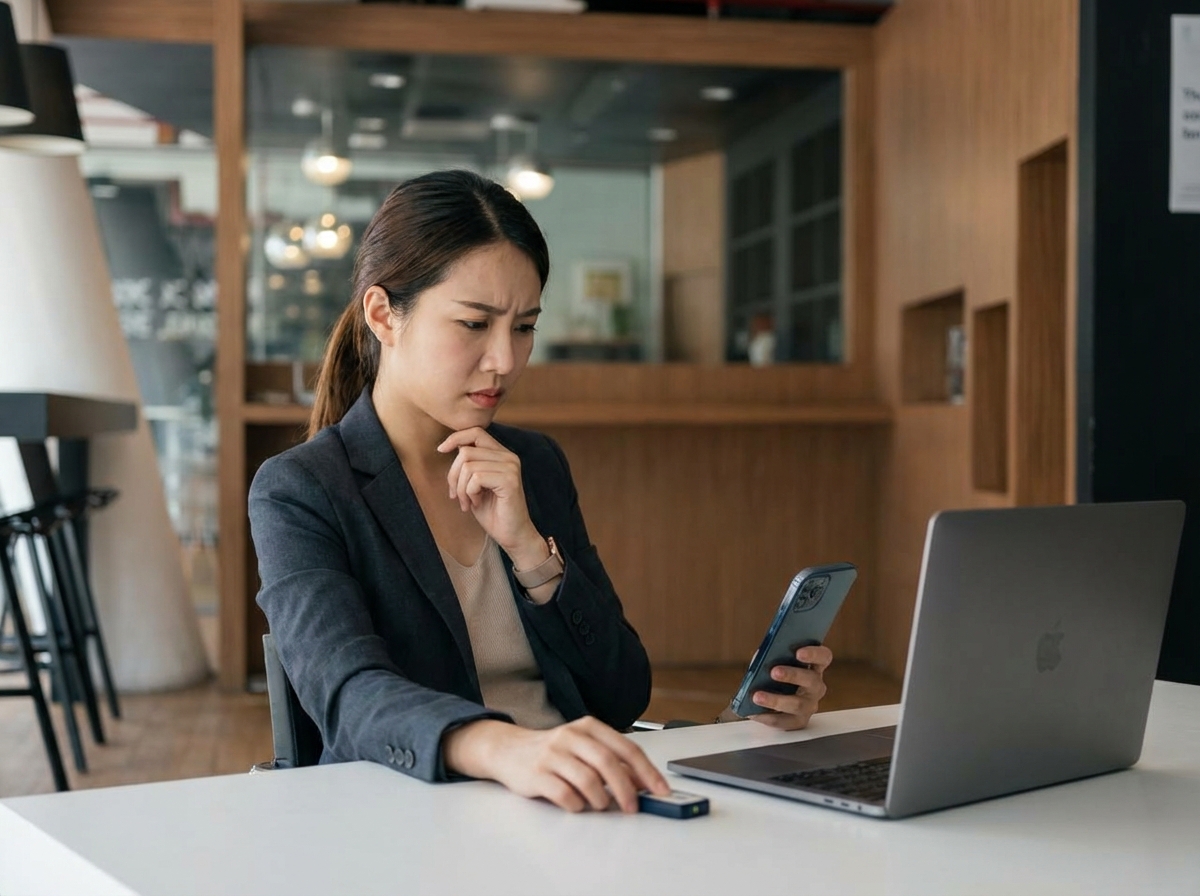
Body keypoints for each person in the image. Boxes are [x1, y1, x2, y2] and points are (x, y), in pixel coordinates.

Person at [248, 170, 834, 814]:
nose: (504, 359)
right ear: (384, 315)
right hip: (419, 820)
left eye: (524, 327)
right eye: (474, 323)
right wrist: (505, 748)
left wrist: (532, 554)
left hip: (573, 810)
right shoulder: (302, 490)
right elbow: (347, 694)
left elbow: (621, 693)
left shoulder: (534, 464)